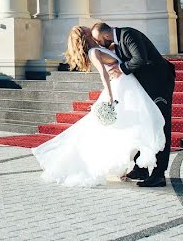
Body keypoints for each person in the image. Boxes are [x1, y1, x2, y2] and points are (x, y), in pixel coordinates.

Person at [32, 26, 165, 187]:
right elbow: (103, 74)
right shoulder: (93, 52)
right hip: (120, 88)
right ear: (86, 35)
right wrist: (109, 95)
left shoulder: (100, 48)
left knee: (133, 123)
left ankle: (138, 166)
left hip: (128, 84)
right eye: (88, 29)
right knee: (127, 125)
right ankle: (135, 166)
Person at [91, 21, 176, 188]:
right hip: (146, 86)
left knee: (160, 124)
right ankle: (141, 169)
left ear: (106, 36)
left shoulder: (128, 35)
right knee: (141, 123)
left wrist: (121, 68)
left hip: (159, 83)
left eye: (99, 41)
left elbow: (140, 59)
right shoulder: (119, 41)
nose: (99, 44)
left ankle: (159, 175)